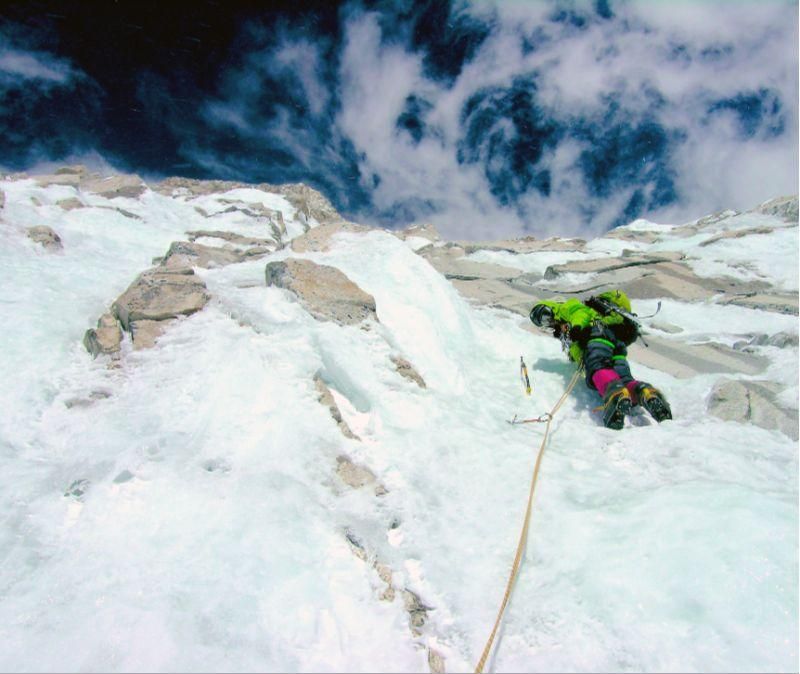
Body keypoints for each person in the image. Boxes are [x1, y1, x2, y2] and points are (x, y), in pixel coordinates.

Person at [529, 290, 672, 430]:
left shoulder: (564, 307)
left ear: (550, 305)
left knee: (597, 367)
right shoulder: (564, 328)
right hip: (614, 342)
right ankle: (646, 393)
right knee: (624, 379)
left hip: (597, 337)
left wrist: (577, 328)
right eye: (543, 322)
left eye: (545, 314)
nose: (548, 320)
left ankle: (615, 395)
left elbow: (580, 313)